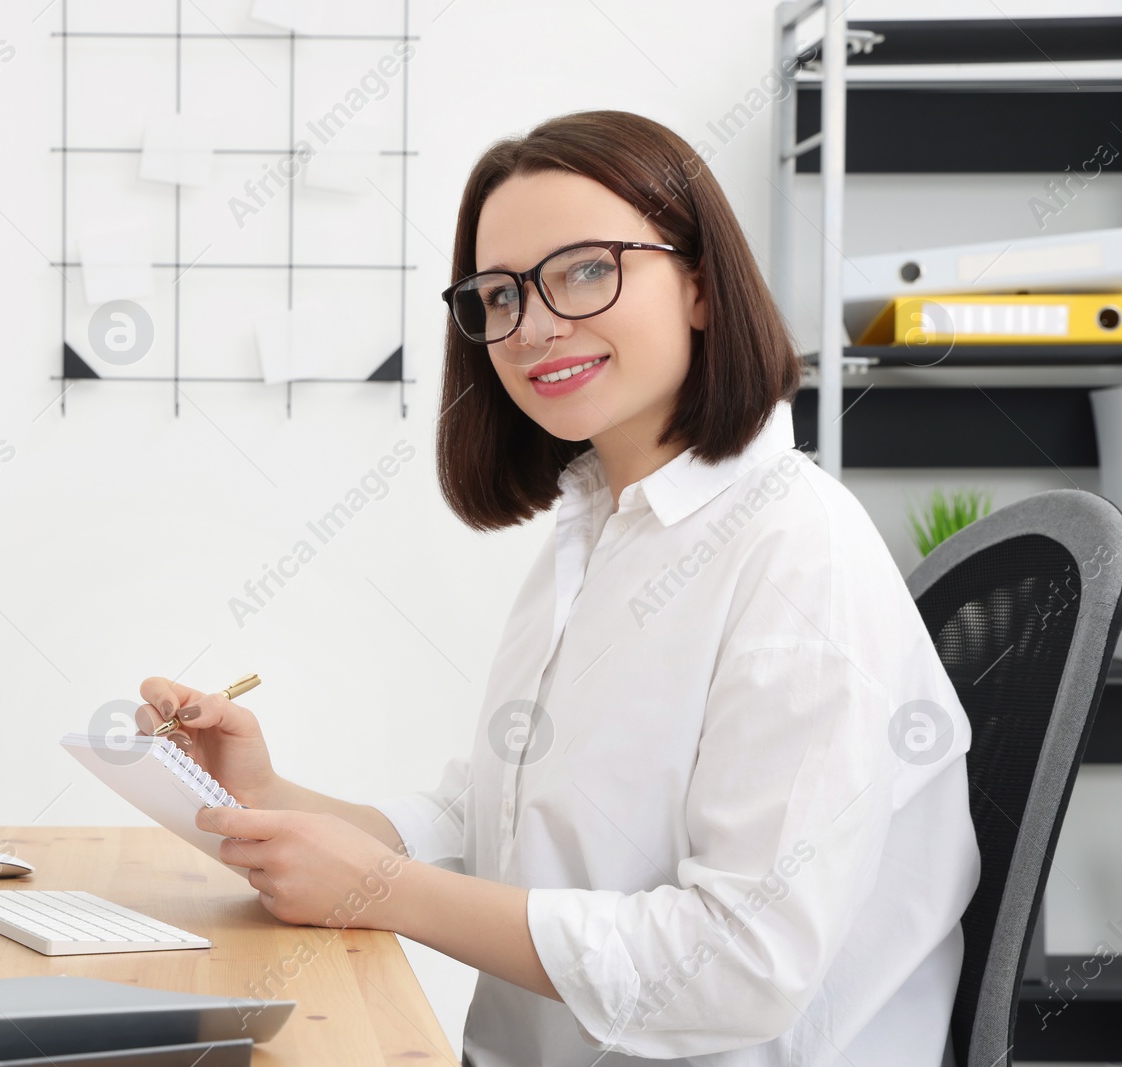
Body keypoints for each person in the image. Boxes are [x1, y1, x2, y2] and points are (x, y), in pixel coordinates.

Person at [135, 110, 980, 1067]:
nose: (533, 325)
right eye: (499, 295)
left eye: (586, 269)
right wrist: (265, 792)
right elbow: (492, 820)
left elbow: (740, 964)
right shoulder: (598, 529)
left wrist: (379, 887)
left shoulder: (798, 552)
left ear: (701, 284)